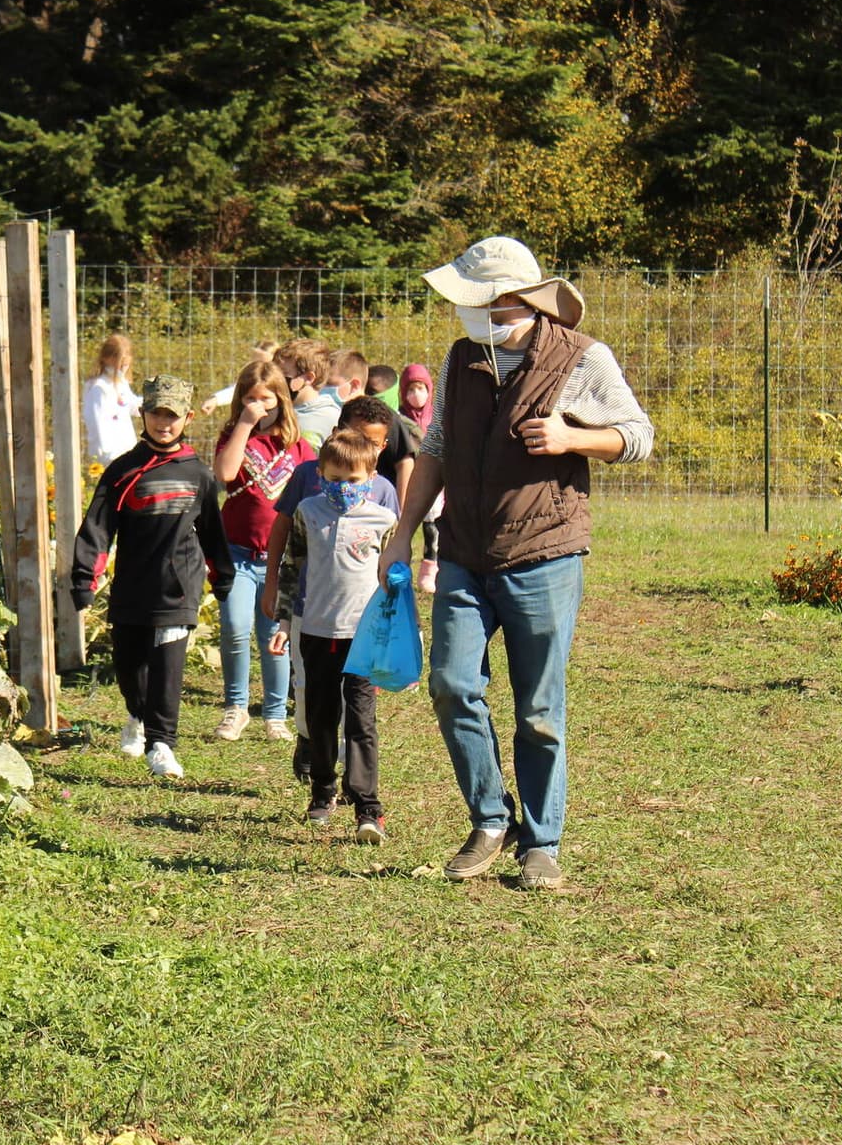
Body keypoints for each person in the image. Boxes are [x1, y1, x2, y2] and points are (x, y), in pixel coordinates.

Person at [377, 236, 652, 890]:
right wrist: (404, 529)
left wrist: (572, 437)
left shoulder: (583, 359)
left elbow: (638, 437)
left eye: (481, 304)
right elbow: (438, 443)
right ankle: (490, 819)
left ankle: (542, 842)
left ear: (519, 301)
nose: (469, 315)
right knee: (449, 683)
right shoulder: (462, 356)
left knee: (538, 708)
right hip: (466, 553)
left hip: (544, 553)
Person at [71, 374, 233, 781]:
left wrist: (222, 577)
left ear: (188, 418)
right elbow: (97, 528)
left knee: (168, 667)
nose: (164, 423)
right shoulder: (123, 472)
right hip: (132, 587)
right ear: (142, 414)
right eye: (156, 414)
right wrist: (83, 580)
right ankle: (136, 714)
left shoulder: (198, 474)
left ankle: (161, 744)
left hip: (179, 588)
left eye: (173, 416)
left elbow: (213, 531)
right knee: (129, 666)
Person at [269, 428, 399, 843]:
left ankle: (367, 807)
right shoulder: (309, 512)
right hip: (317, 630)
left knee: (361, 721)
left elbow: (394, 580)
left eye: (353, 480)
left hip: (362, 636)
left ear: (371, 475)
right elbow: (292, 567)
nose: (343, 488)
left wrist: (397, 631)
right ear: (321, 474)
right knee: (321, 718)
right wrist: (284, 622)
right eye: (334, 479)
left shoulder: (384, 519)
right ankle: (322, 791)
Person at [210, 360, 315, 742]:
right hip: (237, 554)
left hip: (280, 562)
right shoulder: (234, 435)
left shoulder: (299, 448)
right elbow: (224, 473)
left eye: (266, 399)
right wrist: (243, 424)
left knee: (275, 637)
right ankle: (235, 708)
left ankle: (274, 714)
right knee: (235, 628)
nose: (259, 406)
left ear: (281, 401)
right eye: (250, 399)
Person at [396, 363, 443, 594]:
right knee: (402, 525)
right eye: (411, 389)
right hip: (406, 479)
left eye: (421, 388)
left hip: (434, 480)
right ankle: (400, 566)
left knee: (432, 526)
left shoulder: (438, 415)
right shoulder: (399, 419)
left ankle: (430, 567)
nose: (417, 395)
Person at [83, 335, 142, 463]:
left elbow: (134, 407)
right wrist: (109, 458)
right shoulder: (98, 388)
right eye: (120, 366)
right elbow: (98, 426)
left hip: (126, 453)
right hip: (108, 458)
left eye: (126, 366)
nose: (123, 370)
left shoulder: (121, 383)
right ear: (106, 359)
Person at [275, 339, 339, 445]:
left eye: (284, 373)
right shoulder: (276, 411)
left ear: (309, 378)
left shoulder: (332, 418)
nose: (276, 379)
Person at [202, 340, 280, 413]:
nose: (258, 366)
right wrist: (215, 399)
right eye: (254, 361)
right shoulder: (250, 377)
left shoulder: (279, 381)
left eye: (264, 363)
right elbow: (236, 390)